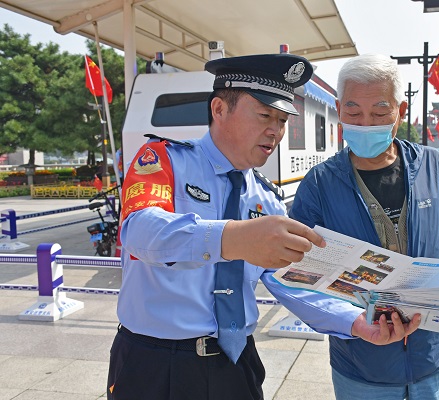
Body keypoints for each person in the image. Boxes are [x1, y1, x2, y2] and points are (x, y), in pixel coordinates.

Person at [106, 53, 418, 400]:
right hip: (155, 363)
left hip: (235, 364)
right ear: (220, 109)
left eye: (283, 120)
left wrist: (356, 322)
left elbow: (292, 280)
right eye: (265, 115)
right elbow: (139, 230)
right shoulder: (163, 159)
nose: (276, 131)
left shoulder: (266, 200)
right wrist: (230, 239)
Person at [290, 54, 439, 400]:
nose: (365, 123)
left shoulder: (433, 167)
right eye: (353, 113)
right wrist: (354, 323)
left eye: (379, 113)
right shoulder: (319, 184)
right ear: (337, 109)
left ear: (400, 111)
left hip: (436, 360)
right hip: (362, 368)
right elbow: (297, 272)